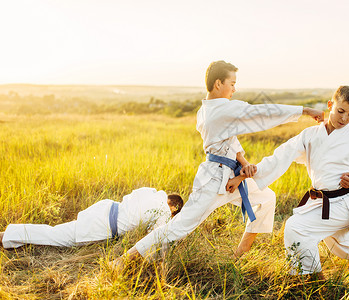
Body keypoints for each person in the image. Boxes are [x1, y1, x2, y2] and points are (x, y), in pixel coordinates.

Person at [112, 60, 324, 267]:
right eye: (232, 83)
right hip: (214, 179)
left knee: (267, 197)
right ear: (218, 84)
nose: (234, 88)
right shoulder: (221, 109)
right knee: (180, 226)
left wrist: (243, 165)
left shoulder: (205, 110)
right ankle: (123, 260)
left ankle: (238, 258)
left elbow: (228, 139)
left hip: (229, 176)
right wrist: (305, 111)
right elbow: (261, 111)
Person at [247, 85, 349, 277]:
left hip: (343, 203)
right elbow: (283, 154)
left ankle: (311, 279)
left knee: (295, 227)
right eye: (340, 111)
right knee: (339, 244)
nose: (344, 118)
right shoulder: (310, 135)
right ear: (330, 105)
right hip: (320, 202)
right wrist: (254, 170)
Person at [0, 187, 183, 249]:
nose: (171, 216)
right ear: (174, 207)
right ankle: (6, 236)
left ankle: (11, 238)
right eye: (174, 214)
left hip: (106, 207)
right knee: (56, 235)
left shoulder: (151, 191)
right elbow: (152, 238)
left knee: (61, 231)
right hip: (104, 224)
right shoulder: (164, 212)